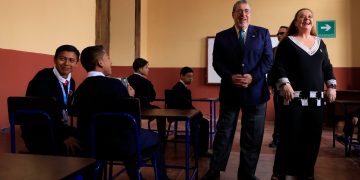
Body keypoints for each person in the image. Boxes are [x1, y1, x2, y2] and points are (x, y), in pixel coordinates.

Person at [72, 45, 168, 179]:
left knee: (126, 137)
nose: (111, 62)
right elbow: (131, 121)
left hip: (92, 145)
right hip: (121, 145)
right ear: (100, 62)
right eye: (108, 58)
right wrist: (130, 97)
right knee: (155, 139)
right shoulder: (115, 85)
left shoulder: (80, 90)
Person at [203, 1, 273, 179]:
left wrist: (253, 77)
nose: (243, 14)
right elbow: (217, 63)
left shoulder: (263, 33)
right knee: (223, 133)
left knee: (253, 136)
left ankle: (247, 174)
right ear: (232, 14)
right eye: (239, 11)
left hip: (256, 92)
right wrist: (229, 76)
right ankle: (214, 171)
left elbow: (267, 61)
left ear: (251, 14)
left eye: (247, 11)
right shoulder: (222, 36)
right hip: (230, 92)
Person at [271, 8, 337, 180]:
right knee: (289, 136)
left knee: (313, 137)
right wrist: (284, 83)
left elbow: (327, 67)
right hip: (293, 98)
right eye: (302, 16)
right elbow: (279, 66)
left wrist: (331, 86)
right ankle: (280, 172)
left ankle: (306, 172)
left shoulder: (320, 42)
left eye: (309, 17)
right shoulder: (288, 42)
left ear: (313, 21)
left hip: (316, 99)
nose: (306, 19)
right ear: (296, 21)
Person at [24, 44, 81, 155]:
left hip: (59, 127)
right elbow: (44, 114)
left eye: (71, 60)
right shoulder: (43, 78)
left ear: (76, 63)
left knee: (90, 137)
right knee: (79, 148)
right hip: (40, 131)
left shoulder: (71, 81)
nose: (66, 63)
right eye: (62, 59)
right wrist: (63, 137)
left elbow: (65, 107)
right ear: (54, 60)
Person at [171, 66, 210, 156]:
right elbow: (185, 105)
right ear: (181, 76)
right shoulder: (180, 88)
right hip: (182, 113)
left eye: (192, 77)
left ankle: (197, 145)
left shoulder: (179, 87)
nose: (191, 79)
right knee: (204, 122)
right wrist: (198, 113)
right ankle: (200, 150)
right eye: (188, 76)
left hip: (182, 112)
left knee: (199, 119)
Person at [127, 58, 167, 141]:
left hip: (130, 109)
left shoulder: (127, 80)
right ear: (140, 69)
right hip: (145, 109)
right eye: (146, 67)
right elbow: (152, 97)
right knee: (160, 113)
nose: (148, 69)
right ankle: (162, 138)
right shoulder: (146, 82)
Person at [268, 26, 288, 148]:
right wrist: (270, 84)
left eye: (283, 33)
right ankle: (276, 139)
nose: (280, 35)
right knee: (279, 115)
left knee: (291, 115)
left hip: (294, 89)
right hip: (278, 88)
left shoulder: (294, 48)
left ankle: (289, 140)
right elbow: (271, 69)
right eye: (279, 33)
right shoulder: (273, 50)